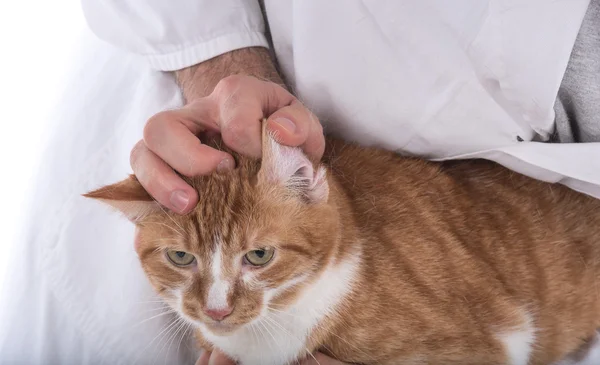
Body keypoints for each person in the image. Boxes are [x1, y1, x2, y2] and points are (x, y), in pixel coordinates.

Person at [0, 1, 598, 364]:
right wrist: (221, 69)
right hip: (219, 94)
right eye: (178, 258)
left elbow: (502, 342)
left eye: (256, 257)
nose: (216, 308)